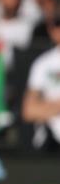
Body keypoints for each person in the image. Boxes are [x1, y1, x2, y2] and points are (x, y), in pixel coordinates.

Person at [22, 18, 60, 150]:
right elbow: (29, 110)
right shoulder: (43, 64)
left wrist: (48, 106)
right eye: (57, 25)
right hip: (52, 144)